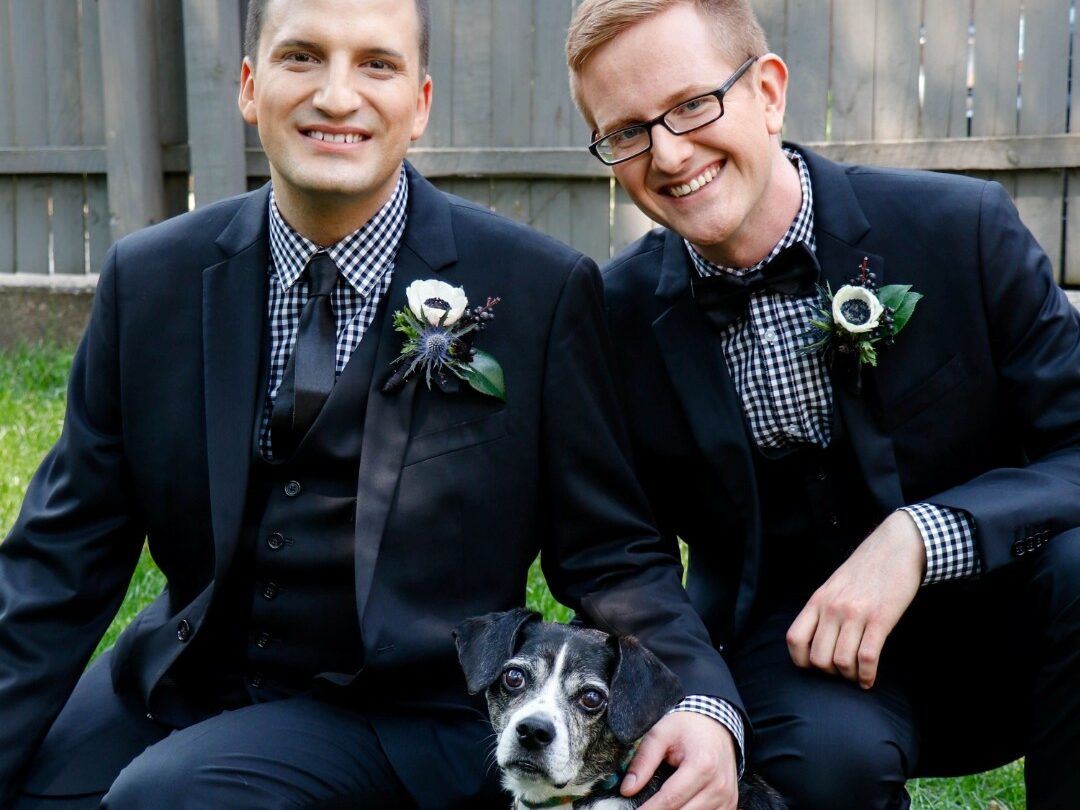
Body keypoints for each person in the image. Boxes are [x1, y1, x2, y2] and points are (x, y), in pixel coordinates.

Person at [0, 0, 737, 807]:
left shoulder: (536, 291)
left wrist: (702, 701)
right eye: (302, 57)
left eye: (376, 65)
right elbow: (58, 560)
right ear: (250, 88)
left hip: (396, 716)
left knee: (165, 799)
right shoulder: (150, 281)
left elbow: (612, 553)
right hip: (182, 681)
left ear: (419, 104)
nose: (337, 96)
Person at [566, 1, 1080, 808]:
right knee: (820, 773)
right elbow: (620, 550)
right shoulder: (609, 316)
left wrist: (920, 535)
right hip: (795, 654)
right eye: (627, 132)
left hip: (1008, 618)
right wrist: (698, 695)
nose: (667, 153)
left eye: (694, 104)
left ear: (769, 93)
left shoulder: (962, 230)